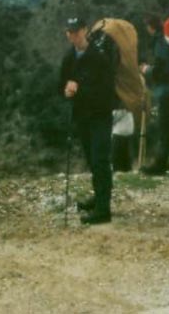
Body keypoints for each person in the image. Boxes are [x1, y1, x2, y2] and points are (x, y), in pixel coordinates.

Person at [59, 17, 117, 225]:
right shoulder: (69, 57)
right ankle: (99, 198)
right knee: (93, 159)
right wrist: (66, 90)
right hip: (83, 116)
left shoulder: (99, 57)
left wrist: (79, 89)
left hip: (100, 114)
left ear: (85, 31)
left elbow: (107, 89)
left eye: (77, 31)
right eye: (70, 32)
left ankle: (103, 209)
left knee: (100, 159)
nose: (73, 35)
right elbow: (60, 84)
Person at [140, 15, 169, 174]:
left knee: (166, 126)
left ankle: (160, 163)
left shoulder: (161, 41)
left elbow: (162, 69)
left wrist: (147, 70)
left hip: (168, 89)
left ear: (150, 27)